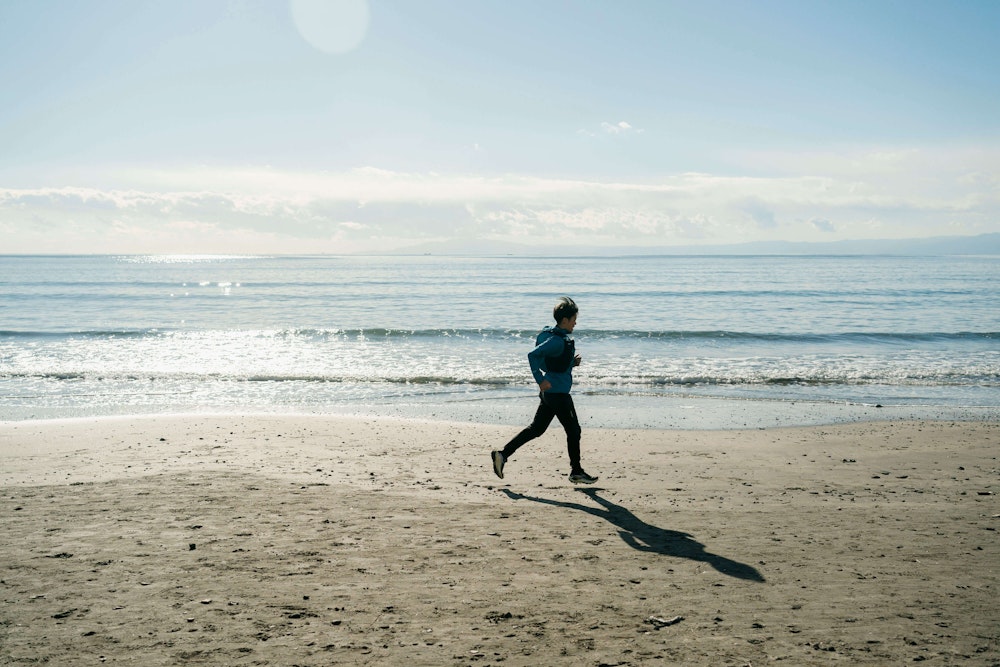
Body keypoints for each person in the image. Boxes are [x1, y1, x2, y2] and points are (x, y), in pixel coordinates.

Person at [491, 297, 598, 485]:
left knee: (536, 429)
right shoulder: (556, 341)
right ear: (564, 320)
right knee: (574, 431)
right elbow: (532, 355)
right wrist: (540, 380)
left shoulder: (558, 338)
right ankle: (576, 471)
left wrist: (572, 363)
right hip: (557, 395)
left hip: (551, 395)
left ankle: (502, 454)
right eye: (574, 319)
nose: (576, 322)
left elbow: (555, 364)